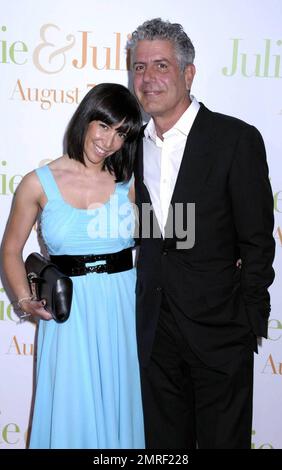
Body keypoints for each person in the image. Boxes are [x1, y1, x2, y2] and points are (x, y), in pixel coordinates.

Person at [127, 18, 275, 449]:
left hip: (220, 332)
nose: (148, 79)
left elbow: (258, 241)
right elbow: (147, 234)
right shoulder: (131, 146)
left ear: (188, 73)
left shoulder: (236, 139)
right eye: (139, 68)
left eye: (161, 66)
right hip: (155, 333)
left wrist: (247, 321)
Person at [1, 83, 145, 449]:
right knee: (70, 409)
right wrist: (24, 301)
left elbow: (161, 242)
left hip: (121, 311)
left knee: (120, 408)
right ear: (86, 118)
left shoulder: (128, 183)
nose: (109, 141)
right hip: (68, 314)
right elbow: (11, 249)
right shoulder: (37, 183)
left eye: (121, 133)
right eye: (104, 126)